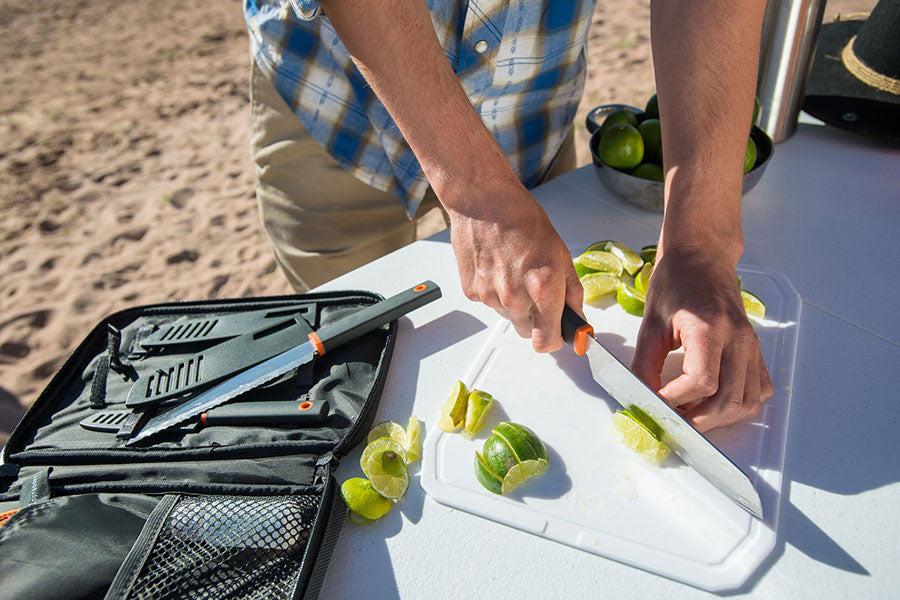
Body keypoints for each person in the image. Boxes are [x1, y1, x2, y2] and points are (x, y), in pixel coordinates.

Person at [243, 0, 774, 432]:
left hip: (528, 109)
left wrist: (699, 244)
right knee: (340, 355)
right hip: (332, 101)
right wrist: (476, 192)